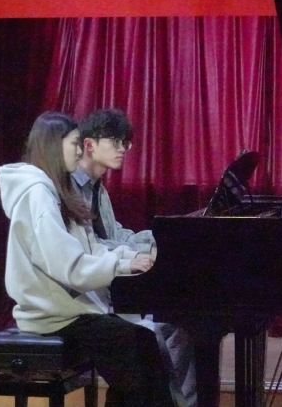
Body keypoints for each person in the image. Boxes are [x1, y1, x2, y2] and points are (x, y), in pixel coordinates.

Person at [0, 111, 174, 407]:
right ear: (54, 146)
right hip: (52, 316)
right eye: (75, 144)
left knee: (142, 346)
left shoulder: (58, 191)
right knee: (134, 348)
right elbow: (71, 268)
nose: (80, 152)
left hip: (70, 309)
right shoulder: (37, 196)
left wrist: (130, 256)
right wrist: (122, 264)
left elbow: (91, 248)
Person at [71, 108, 196, 407]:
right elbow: (88, 247)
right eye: (115, 141)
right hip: (85, 296)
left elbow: (114, 233)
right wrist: (138, 254)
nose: (123, 149)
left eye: (125, 143)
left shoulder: (97, 187)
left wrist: (161, 240)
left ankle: (181, 401)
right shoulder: (68, 189)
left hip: (108, 286)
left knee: (184, 323)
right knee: (146, 340)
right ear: (89, 144)